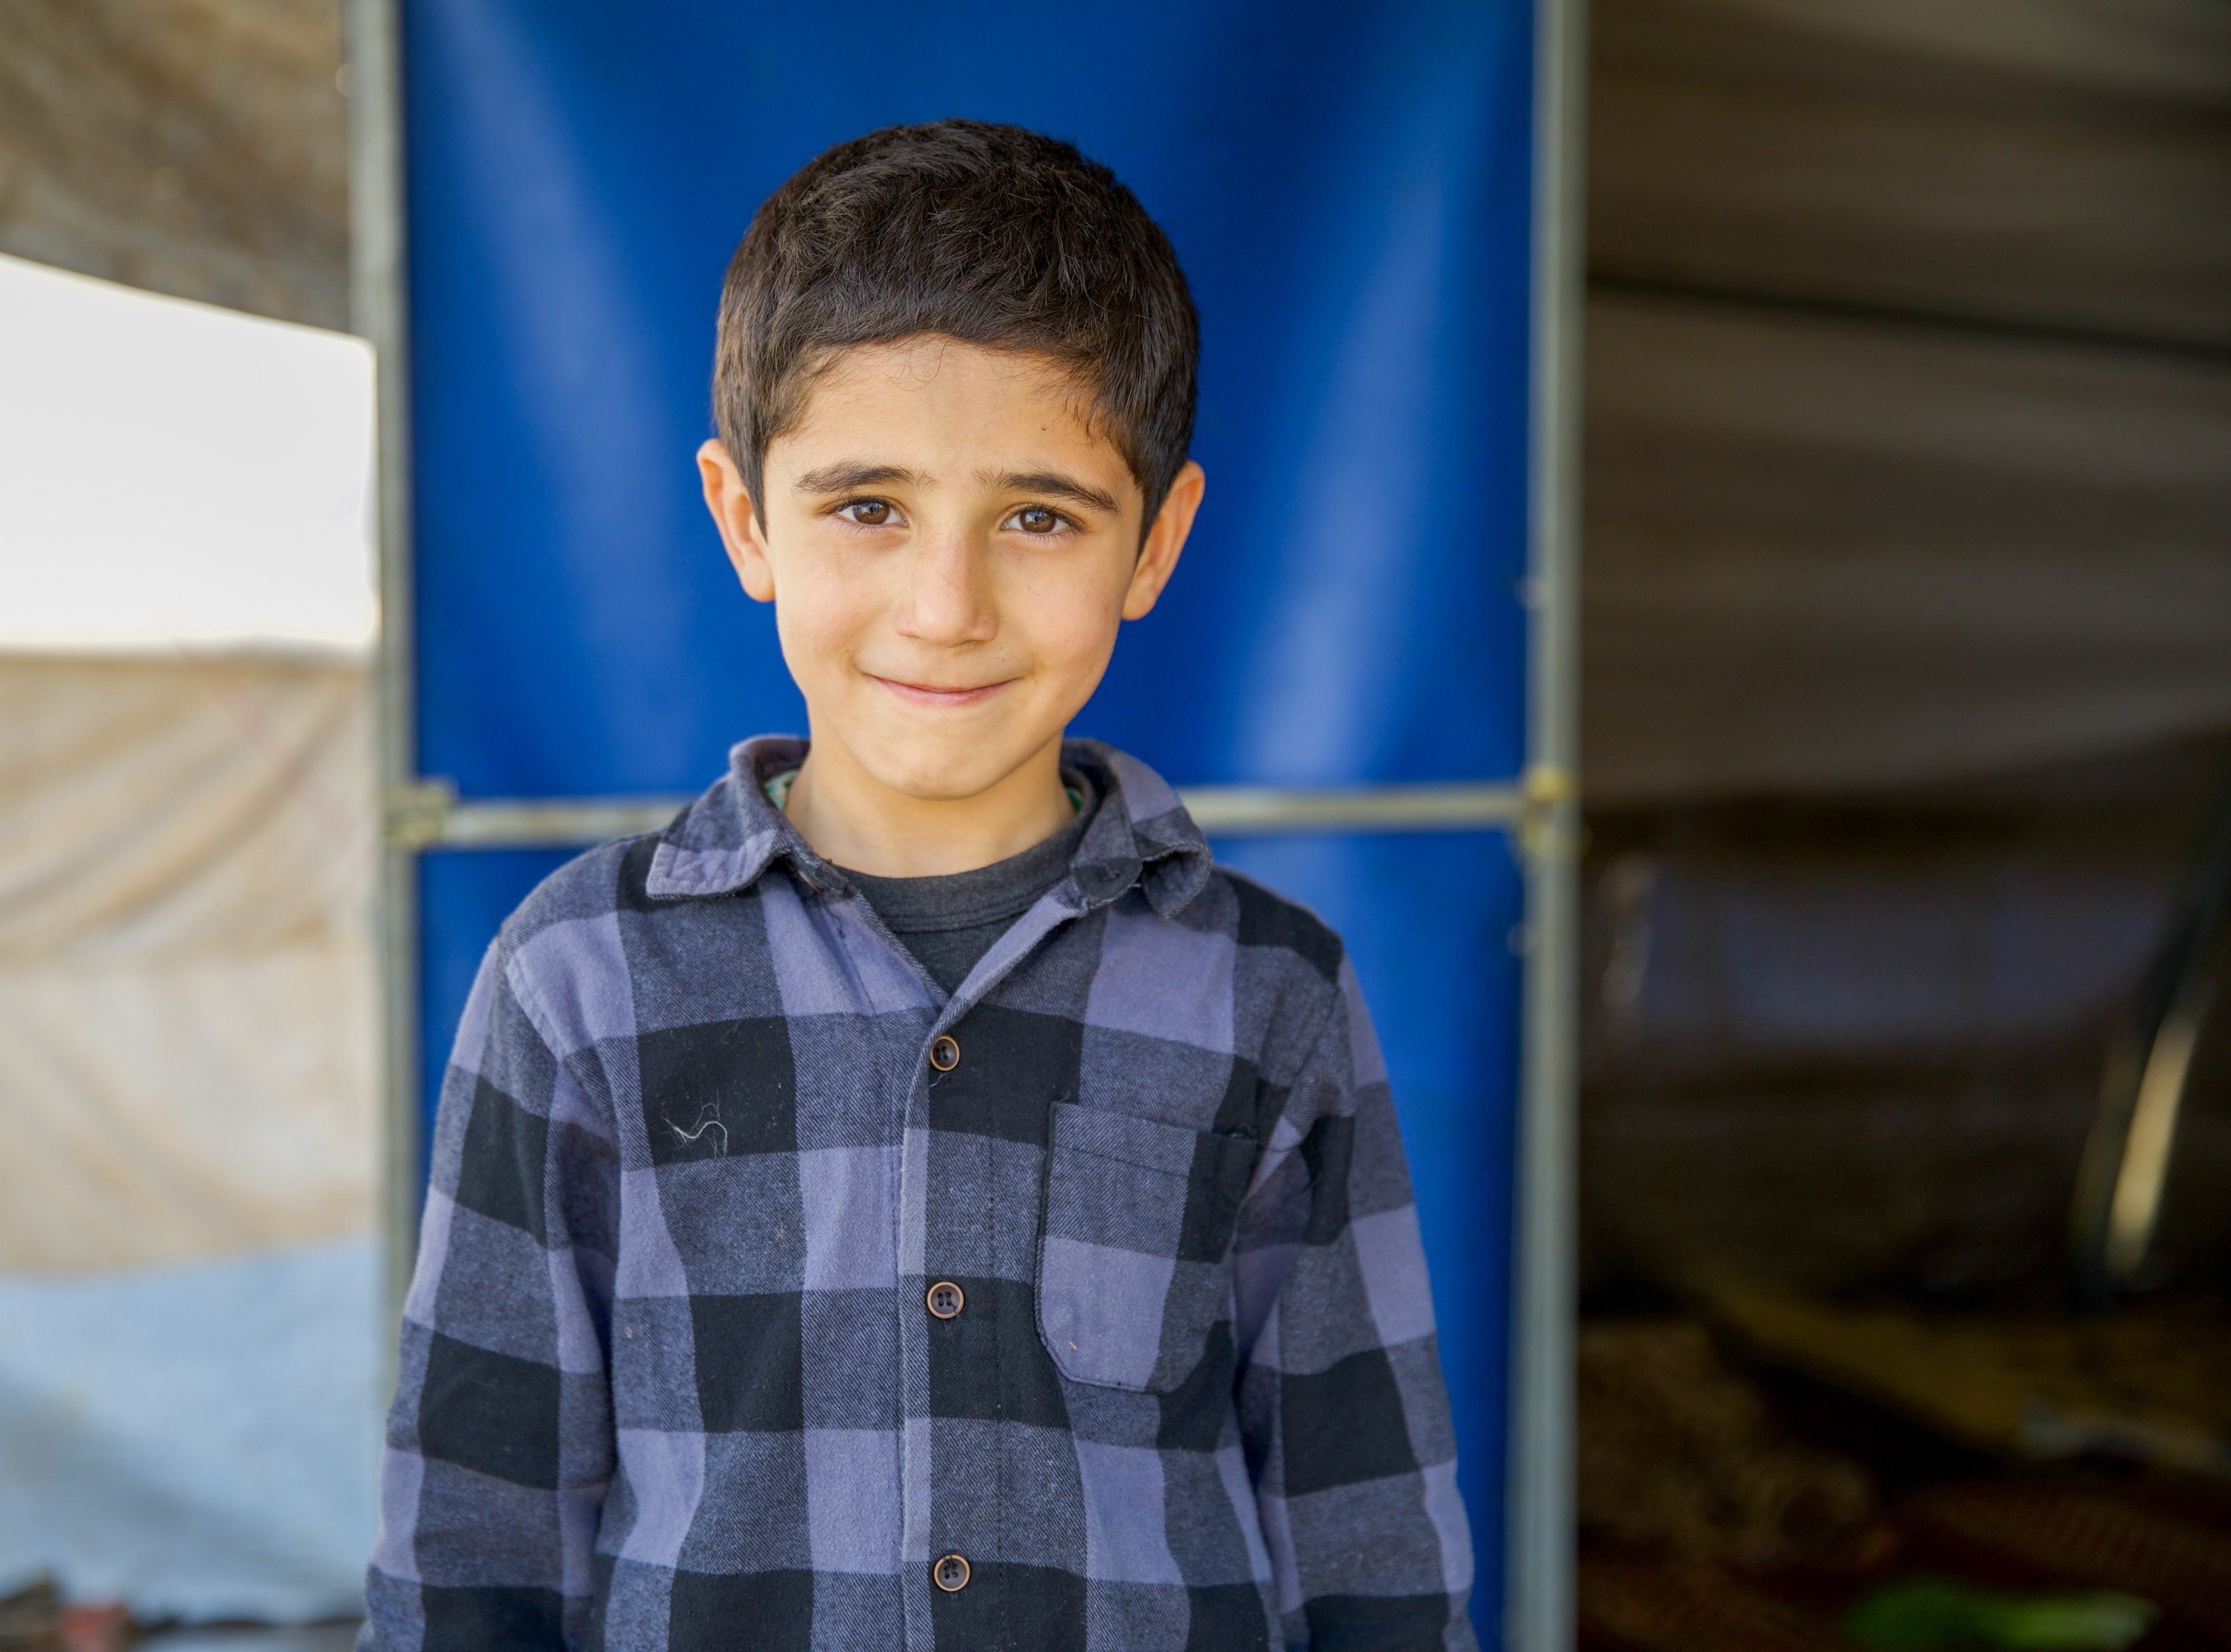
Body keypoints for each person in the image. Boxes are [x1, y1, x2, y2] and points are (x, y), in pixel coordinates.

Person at [363, 118, 1475, 1652]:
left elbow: (1369, 1538)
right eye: (866, 507)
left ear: (1156, 542)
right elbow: (469, 1549)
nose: (946, 607)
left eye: (1037, 516)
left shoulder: (1271, 990)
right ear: (745, 519)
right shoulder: (575, 980)